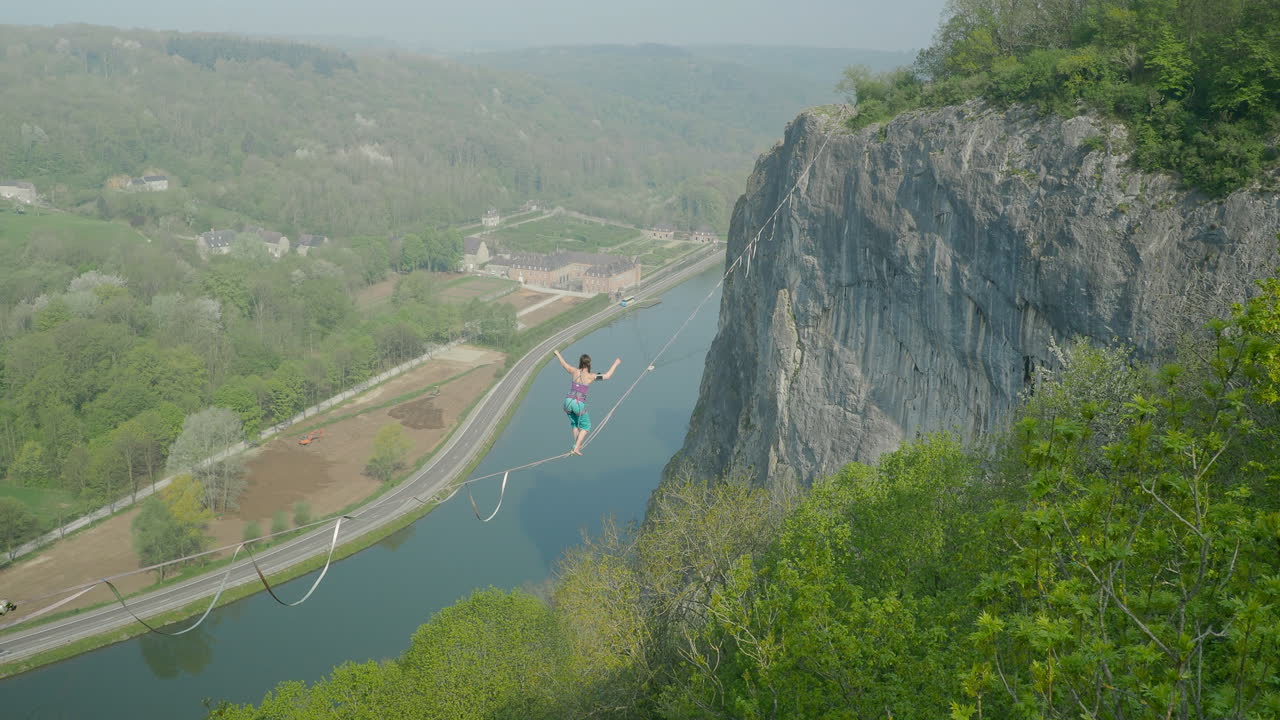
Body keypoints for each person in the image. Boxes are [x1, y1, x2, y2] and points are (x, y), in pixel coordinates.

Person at [554, 350, 620, 455]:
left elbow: (564, 364)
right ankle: (576, 447)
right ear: (589, 364)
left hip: (567, 402)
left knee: (575, 424)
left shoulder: (574, 371)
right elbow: (607, 376)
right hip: (578, 403)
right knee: (586, 426)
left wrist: (558, 354)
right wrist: (616, 364)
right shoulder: (591, 376)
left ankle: (576, 445)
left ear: (580, 362)